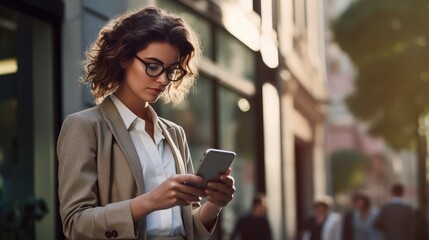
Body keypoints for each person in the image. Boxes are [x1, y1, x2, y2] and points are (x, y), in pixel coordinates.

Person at [57, 6, 236, 240]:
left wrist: (214, 204)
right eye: (152, 66)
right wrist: (150, 201)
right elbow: (75, 223)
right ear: (124, 58)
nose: (163, 79)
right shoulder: (84, 127)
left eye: (171, 70)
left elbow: (186, 226)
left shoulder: (174, 133)